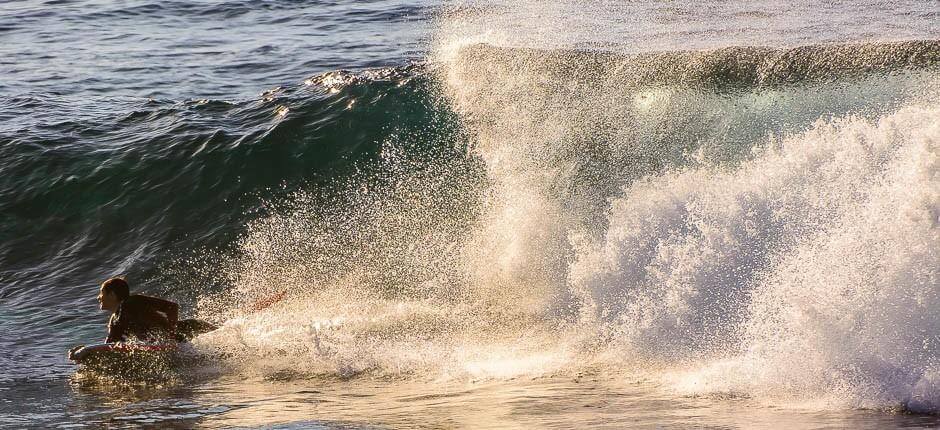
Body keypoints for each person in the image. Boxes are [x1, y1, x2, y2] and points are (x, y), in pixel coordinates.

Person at [68, 277, 182, 362]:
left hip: (181, 337)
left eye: (101, 293)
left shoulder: (132, 302)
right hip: (160, 346)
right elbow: (111, 346)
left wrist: (171, 336)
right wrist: (86, 353)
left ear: (112, 294)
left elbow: (172, 307)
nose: (98, 297)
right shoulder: (114, 320)